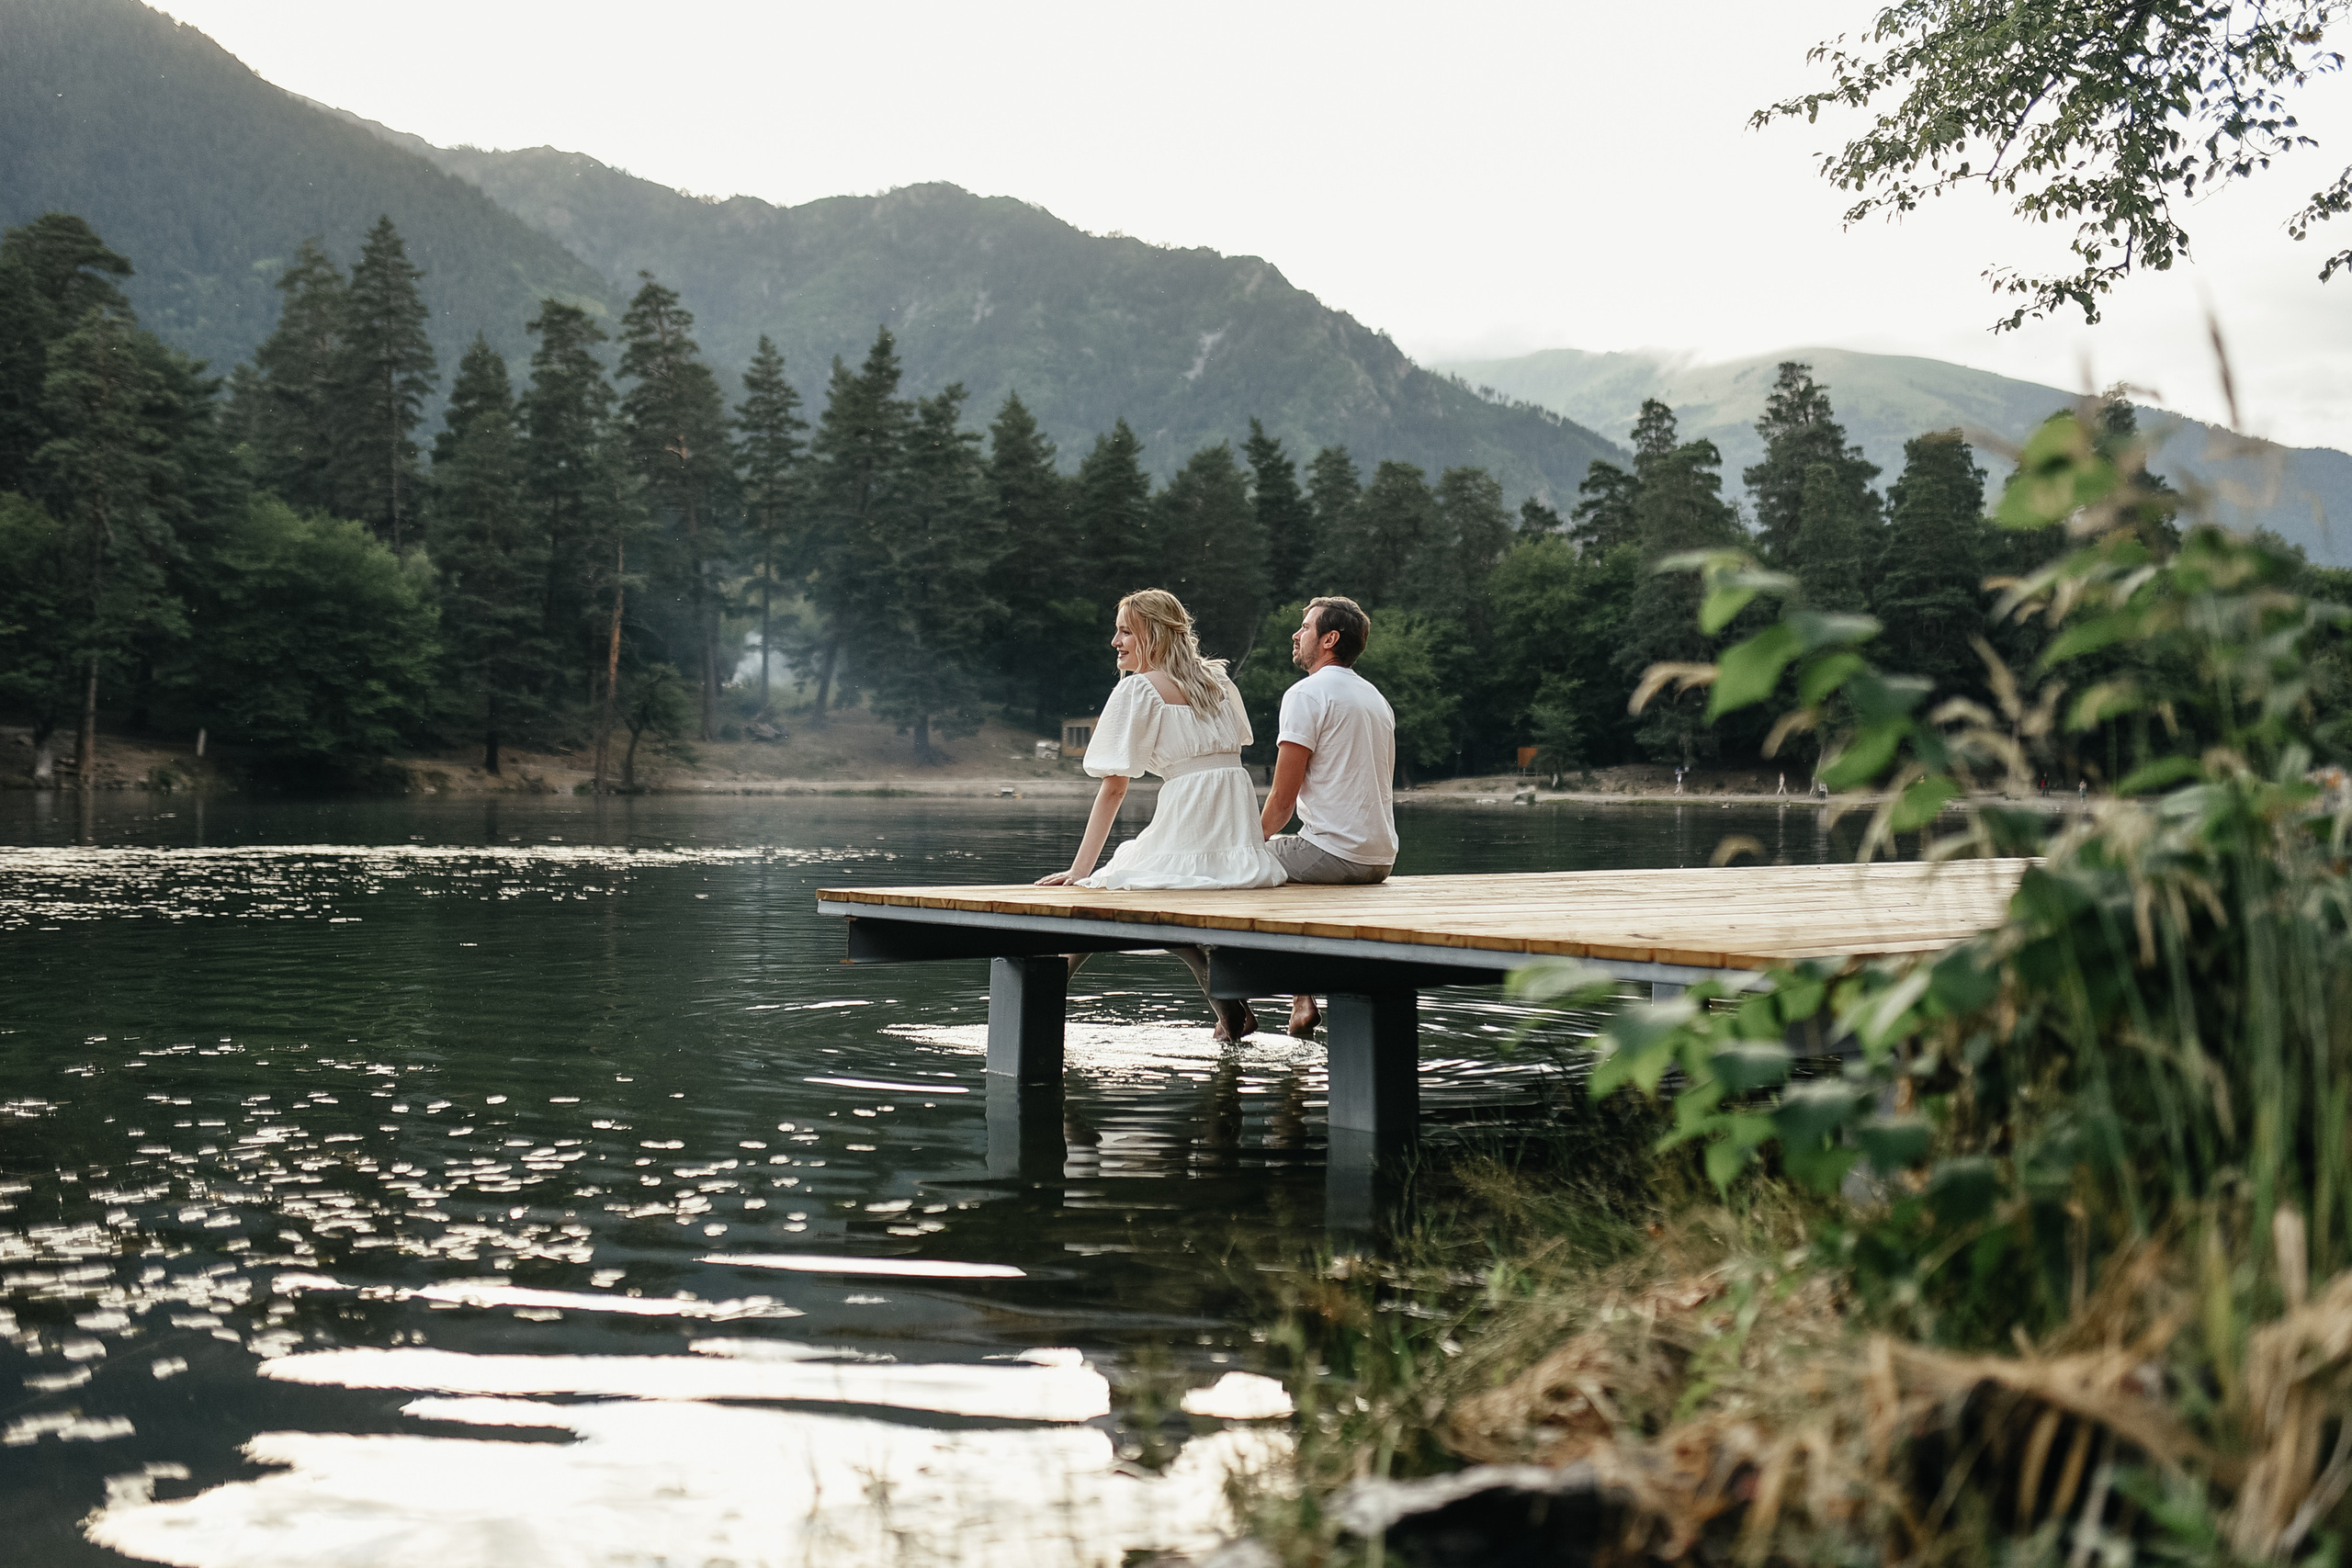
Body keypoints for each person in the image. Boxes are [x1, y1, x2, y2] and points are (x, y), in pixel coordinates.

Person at [1037, 589, 1283, 1041]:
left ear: (1152, 634)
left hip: (1192, 822)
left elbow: (1114, 787)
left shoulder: (1139, 689)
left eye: (1125, 632)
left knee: (1099, 898)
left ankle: (1037, 1005)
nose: (1115, 642)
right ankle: (1232, 1009)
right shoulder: (1219, 683)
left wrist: (1079, 871)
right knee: (1152, 907)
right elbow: (1230, 754)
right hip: (1232, 831)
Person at [1260, 596, 1397, 1037]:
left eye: (1305, 627)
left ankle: (1236, 1005)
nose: (1296, 634)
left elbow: (1282, 802)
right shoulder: (1375, 698)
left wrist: (1243, 844)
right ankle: (1301, 998)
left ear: (1329, 639)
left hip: (1335, 853)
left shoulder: (1306, 694)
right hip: (1379, 857)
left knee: (1239, 865)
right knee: (1285, 867)